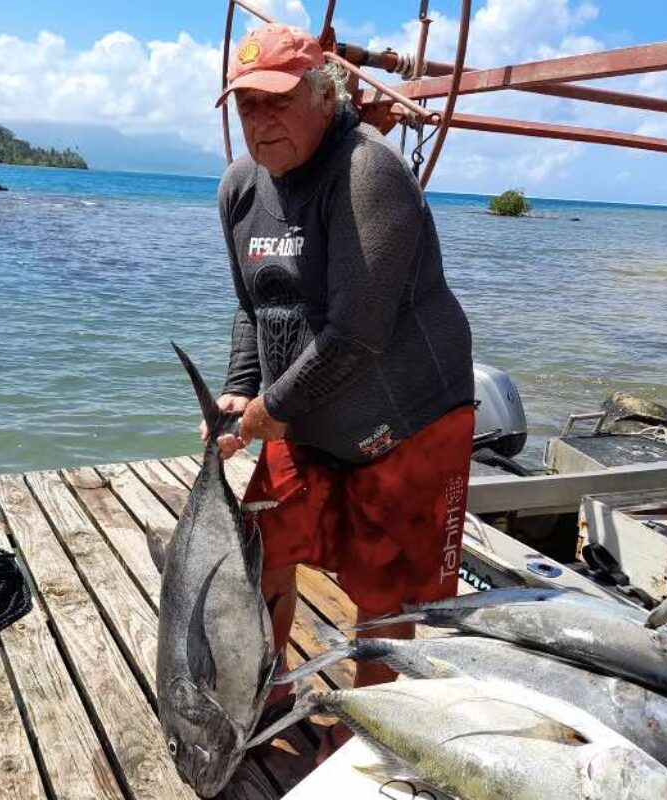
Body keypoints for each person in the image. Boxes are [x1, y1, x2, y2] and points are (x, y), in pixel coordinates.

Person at [207, 23, 476, 757]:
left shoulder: (369, 171)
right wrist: (238, 394)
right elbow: (252, 305)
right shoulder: (239, 188)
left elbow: (358, 334)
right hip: (304, 413)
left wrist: (269, 409)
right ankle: (269, 689)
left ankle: (369, 736)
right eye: (246, 107)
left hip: (409, 415)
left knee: (384, 587)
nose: (260, 123)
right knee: (266, 545)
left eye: (277, 102)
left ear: (325, 93)